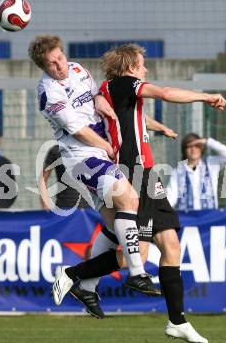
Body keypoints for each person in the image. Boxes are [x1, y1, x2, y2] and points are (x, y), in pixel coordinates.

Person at [69, 44, 226, 343]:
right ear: (130, 67)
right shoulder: (125, 84)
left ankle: (177, 322)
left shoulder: (114, 90)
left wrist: (159, 127)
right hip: (133, 174)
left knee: (171, 245)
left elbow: (131, 120)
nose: (146, 69)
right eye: (142, 64)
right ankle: (74, 274)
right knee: (133, 257)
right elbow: (166, 93)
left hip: (148, 175)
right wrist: (206, 96)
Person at [28, 35, 158, 303]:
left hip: (99, 154)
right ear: (43, 67)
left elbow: (94, 95)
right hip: (83, 157)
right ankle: (136, 273)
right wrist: (108, 148)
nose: (59, 66)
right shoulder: (49, 92)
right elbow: (78, 130)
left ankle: (84, 284)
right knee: (130, 198)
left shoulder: (77, 69)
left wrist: (99, 97)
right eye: (51, 64)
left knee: (115, 229)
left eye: (60, 58)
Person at [167, 133, 226, 210]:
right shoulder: (177, 172)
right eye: (189, 147)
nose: (193, 149)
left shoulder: (211, 164)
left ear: (201, 148)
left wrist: (206, 141)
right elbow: (170, 197)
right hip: (187, 219)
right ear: (184, 150)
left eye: (196, 146)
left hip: (210, 218)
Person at [39, 144, 89, 210]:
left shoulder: (93, 150)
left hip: (91, 210)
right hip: (64, 207)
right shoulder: (57, 150)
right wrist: (45, 205)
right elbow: (42, 179)